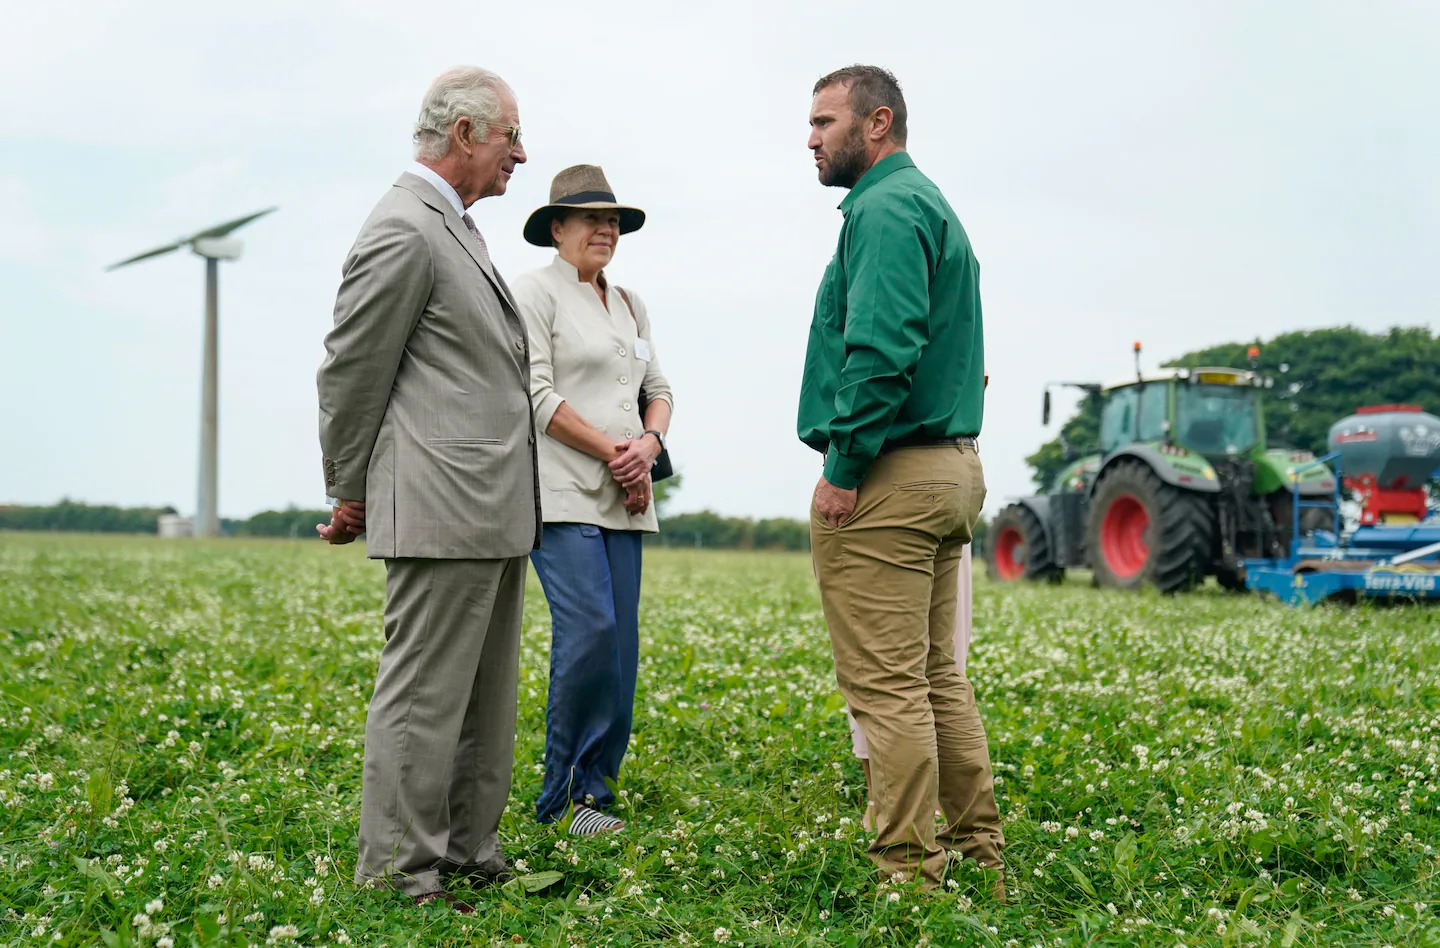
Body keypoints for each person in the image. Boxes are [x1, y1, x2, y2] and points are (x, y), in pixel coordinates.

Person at [315, 65, 538, 912]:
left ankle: (468, 850)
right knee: (422, 698)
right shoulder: (405, 228)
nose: (521, 152)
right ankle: (400, 873)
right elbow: (352, 369)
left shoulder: (457, 228)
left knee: (483, 697)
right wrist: (350, 486)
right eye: (511, 134)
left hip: (489, 506)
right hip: (441, 505)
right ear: (467, 135)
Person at [799, 65, 1004, 892]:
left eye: (824, 122)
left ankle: (910, 880)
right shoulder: (927, 204)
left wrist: (843, 470)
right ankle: (979, 859)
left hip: (891, 473)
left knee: (888, 691)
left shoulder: (883, 210)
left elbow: (882, 351)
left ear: (876, 123)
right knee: (934, 678)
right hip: (950, 469)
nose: (810, 139)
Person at [511, 164, 673, 835]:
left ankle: (596, 796)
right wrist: (617, 453)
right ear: (558, 229)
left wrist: (650, 446)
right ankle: (560, 800)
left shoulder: (631, 302)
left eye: (613, 221)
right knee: (589, 633)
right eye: (590, 219)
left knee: (620, 646)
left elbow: (658, 387)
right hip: (562, 492)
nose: (604, 229)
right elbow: (538, 395)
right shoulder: (534, 293)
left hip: (626, 495)